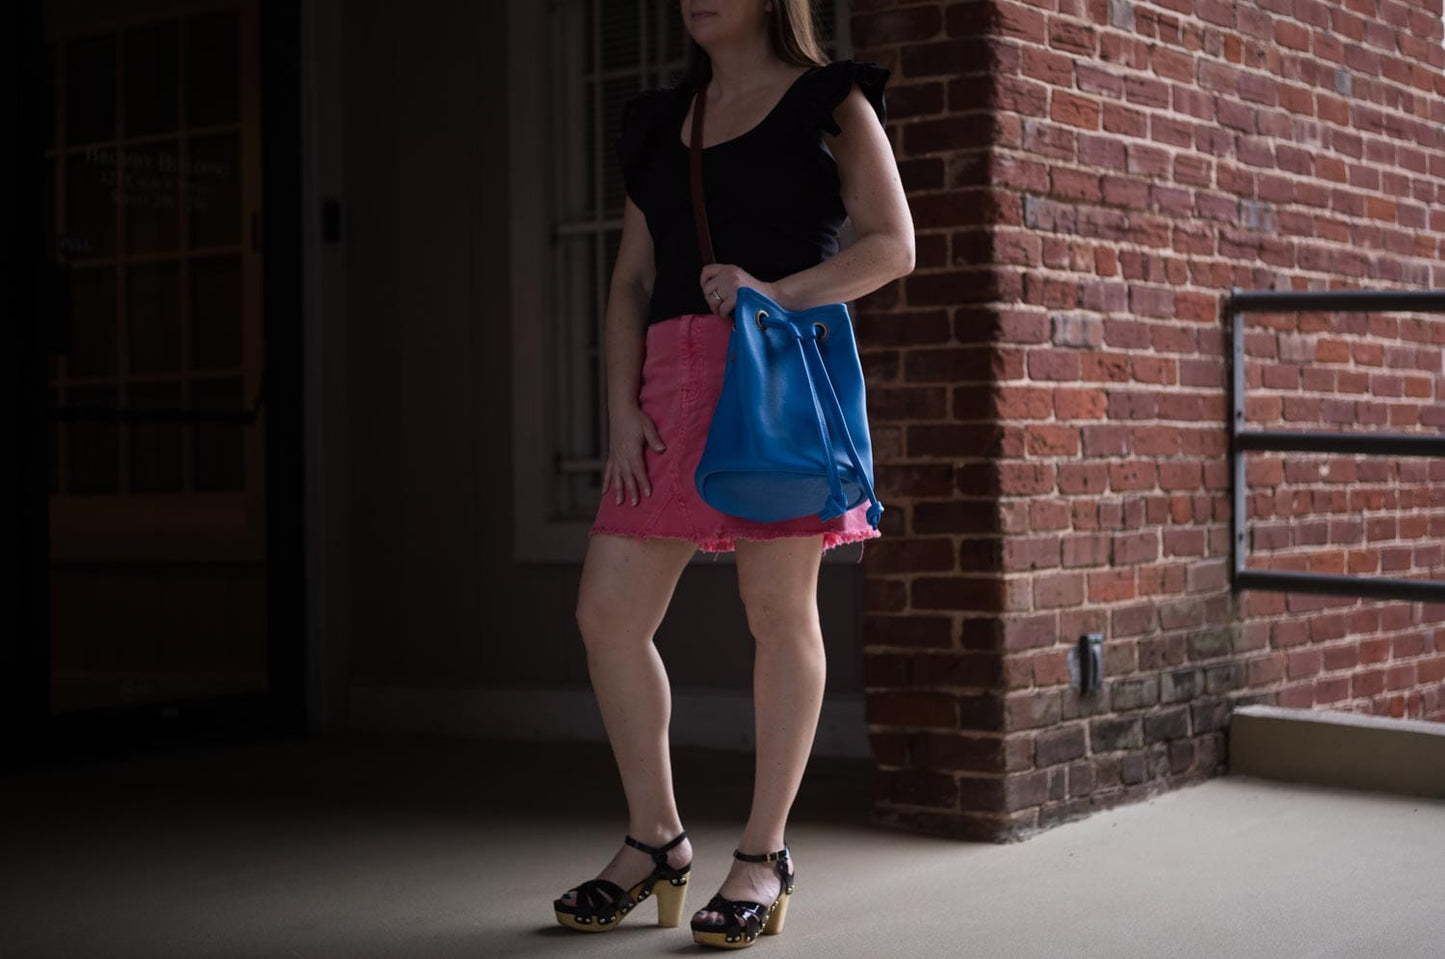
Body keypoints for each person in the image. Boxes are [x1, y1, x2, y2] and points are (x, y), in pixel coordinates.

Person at [552, 0, 914, 948]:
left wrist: (773, 292)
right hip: (666, 387)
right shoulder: (655, 121)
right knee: (607, 613)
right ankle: (655, 838)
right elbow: (632, 278)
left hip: (774, 379)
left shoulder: (829, 102)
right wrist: (620, 405)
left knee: (776, 612)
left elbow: (892, 244)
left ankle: (763, 853)